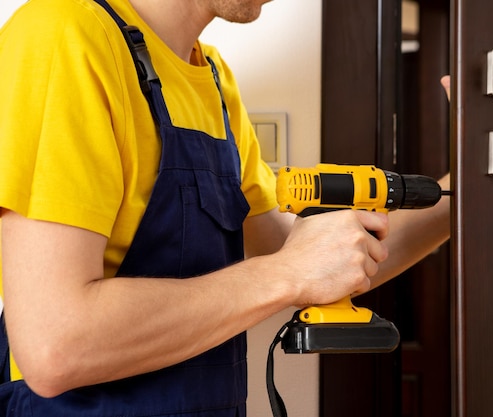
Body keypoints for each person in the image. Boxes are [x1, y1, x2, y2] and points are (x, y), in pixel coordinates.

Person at [0, 0, 451, 415]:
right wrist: (287, 275)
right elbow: (55, 345)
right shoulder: (64, 35)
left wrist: (468, 189)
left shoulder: (212, 78)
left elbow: (310, 254)